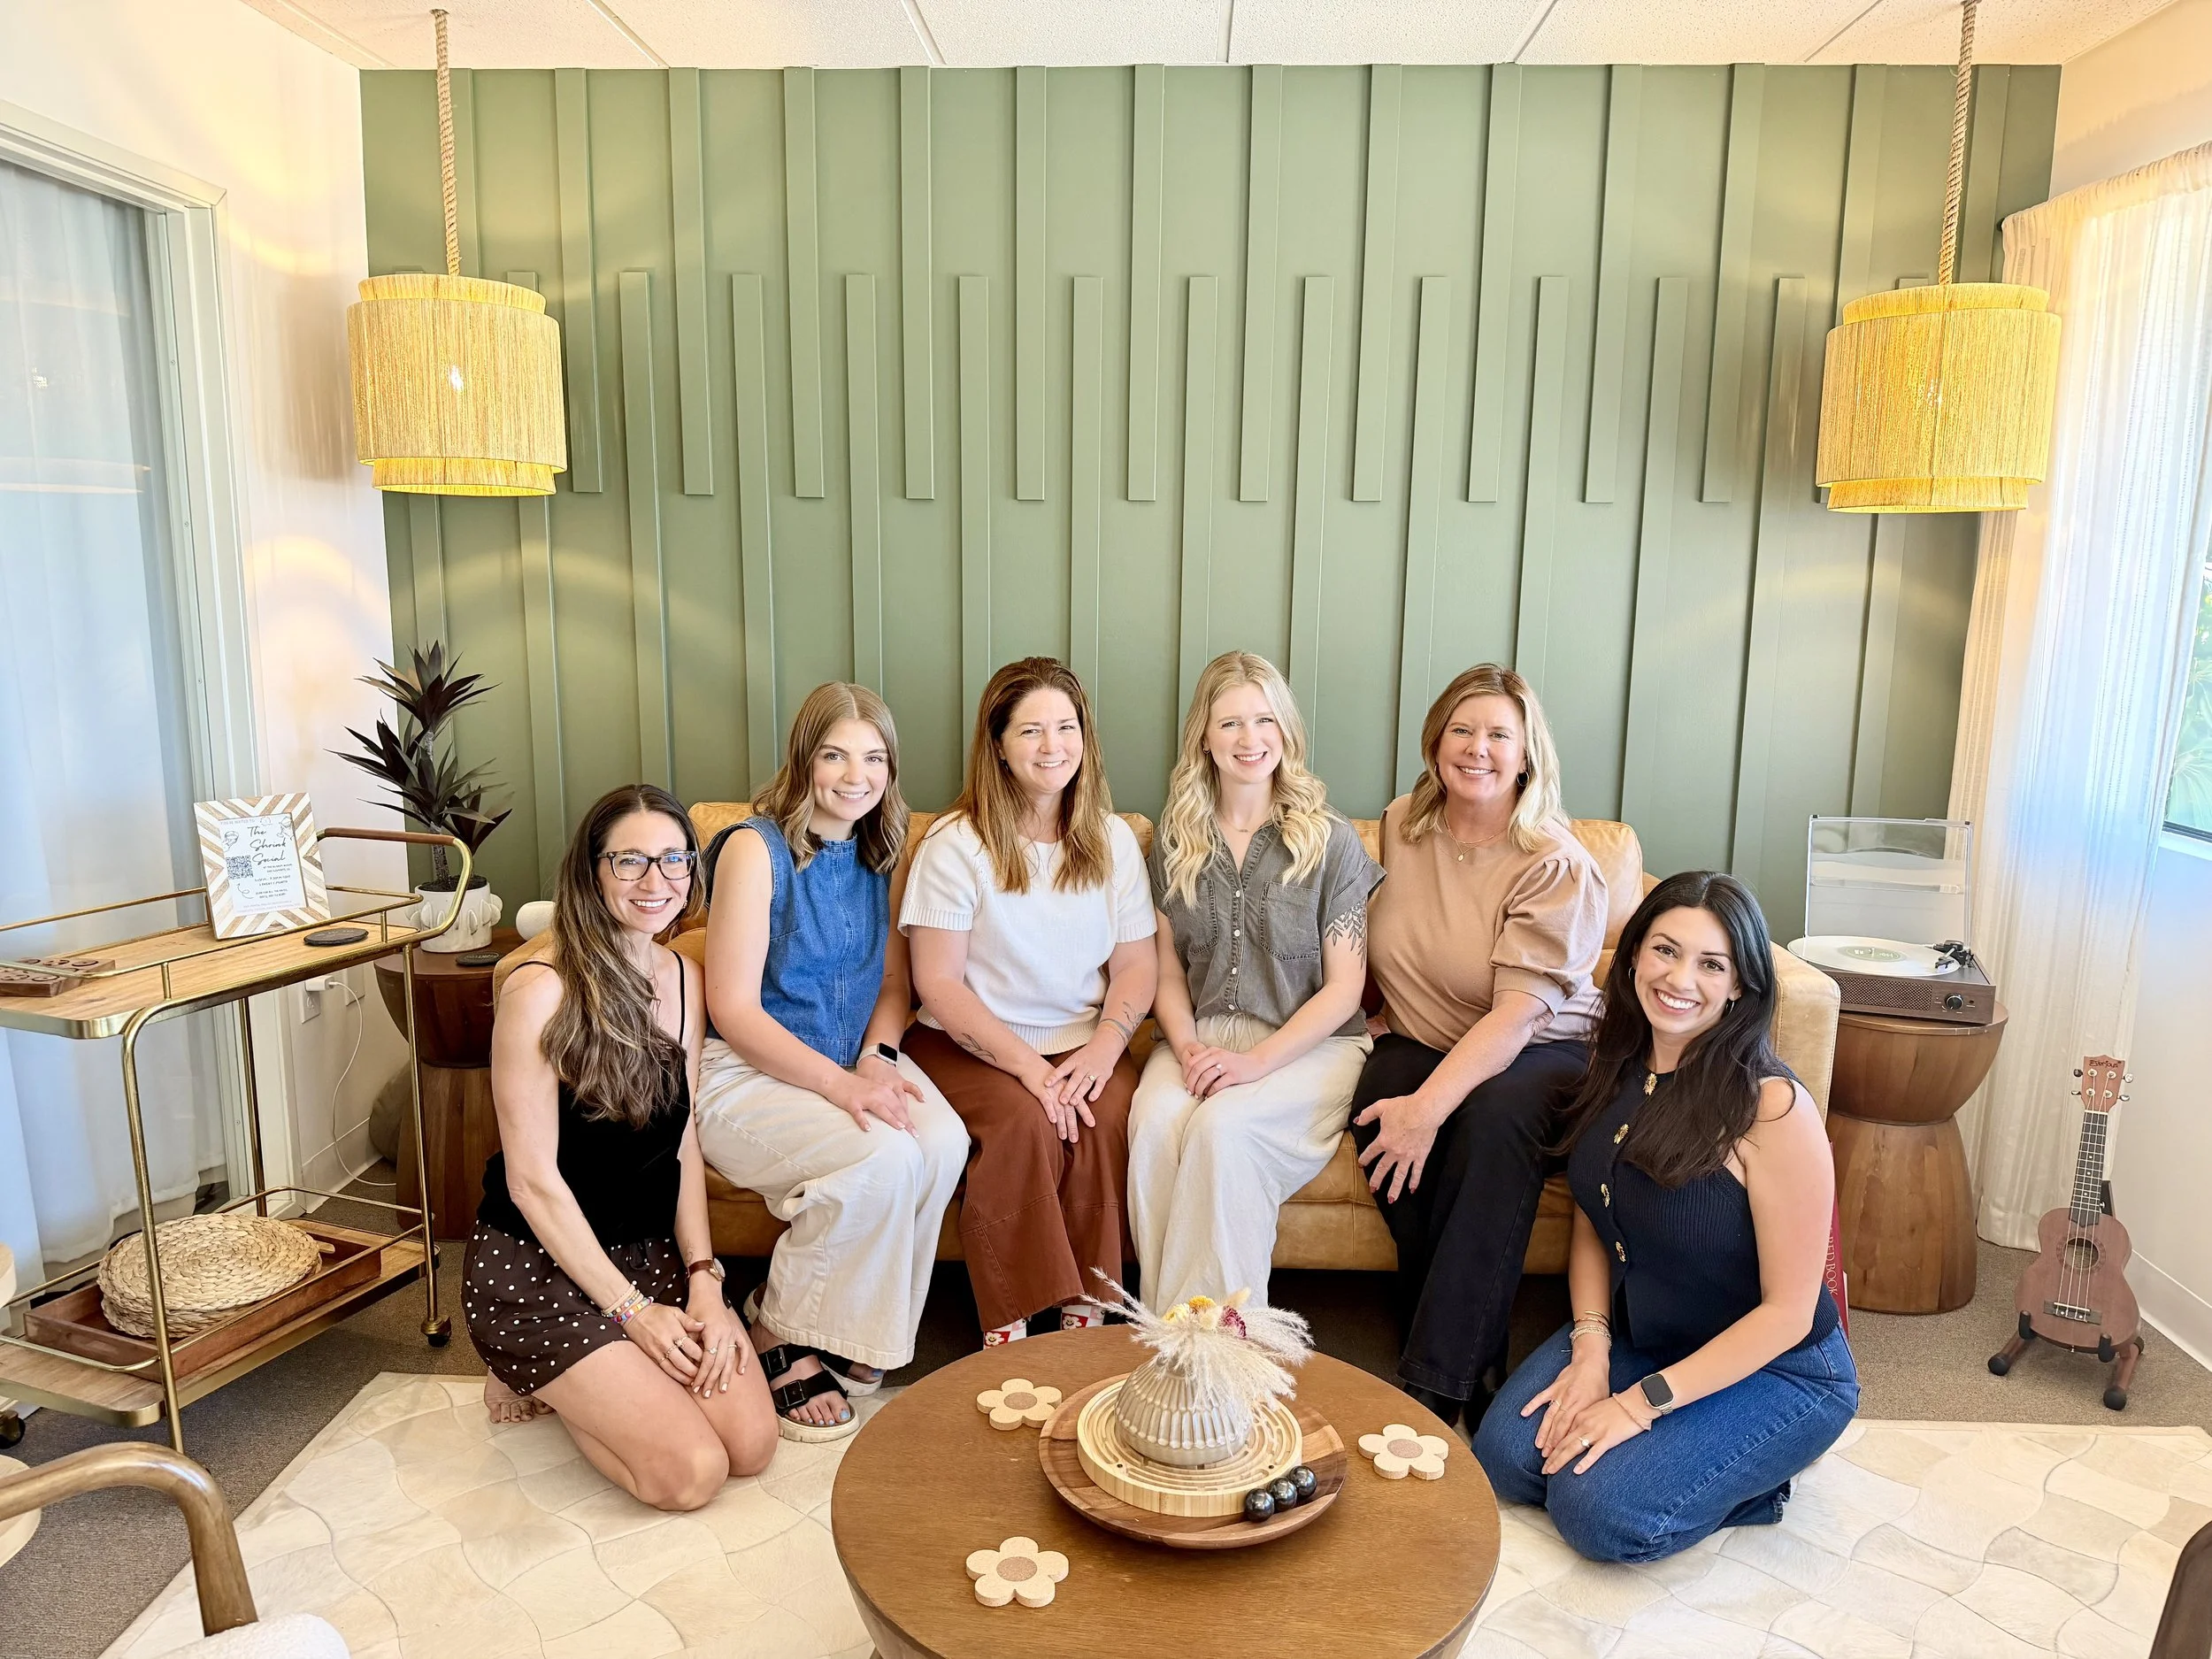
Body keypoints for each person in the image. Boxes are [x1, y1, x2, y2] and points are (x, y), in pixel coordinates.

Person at [1473, 872, 1857, 1562]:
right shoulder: (1618, 1061)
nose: (1681, 978)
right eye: (1665, 950)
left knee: (1599, 1513)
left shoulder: (1771, 1109)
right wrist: (1591, 1351)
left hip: (1779, 1367)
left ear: (1740, 983)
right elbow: (1596, 1216)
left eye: (1712, 963)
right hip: (1645, 1334)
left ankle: (1760, 1478)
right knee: (1506, 1458)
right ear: (1632, 958)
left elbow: (1789, 1313)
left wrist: (1636, 1403)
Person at [465, 784, 775, 1509]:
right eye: (629, 860)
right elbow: (532, 1180)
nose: (655, 880)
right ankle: (535, 1369)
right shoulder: (539, 989)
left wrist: (704, 1277)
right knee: (690, 1474)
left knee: (752, 1445)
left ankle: (598, 1377)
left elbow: (683, 1141)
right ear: (590, 870)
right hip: (538, 1266)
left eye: (673, 860)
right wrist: (633, 1316)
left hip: (643, 1253)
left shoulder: (686, 980)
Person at [694, 683, 968, 1441]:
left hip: (852, 1057)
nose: (857, 775)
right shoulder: (756, 848)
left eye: (875, 757)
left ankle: (855, 1331)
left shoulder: (884, 846)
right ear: (803, 758)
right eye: (836, 755)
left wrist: (879, 1058)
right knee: (881, 1158)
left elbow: (891, 983)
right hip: (748, 1073)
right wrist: (845, 1086)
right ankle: (777, 1325)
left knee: (941, 1141)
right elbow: (735, 1010)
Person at [1349, 664, 1608, 1428]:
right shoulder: (1405, 822)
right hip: (1425, 1033)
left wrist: (1430, 1108)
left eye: (1500, 734)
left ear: (1527, 755)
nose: (1478, 748)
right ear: (1435, 743)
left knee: (1489, 1122)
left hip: (1539, 1046)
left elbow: (1513, 1017)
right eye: (1462, 729)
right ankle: (1476, 1346)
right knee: (1373, 1107)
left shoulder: (1555, 862)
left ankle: (1439, 1384)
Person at [902, 657, 1157, 1347]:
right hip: (966, 1039)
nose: (1053, 746)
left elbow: (1137, 963)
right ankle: (1010, 1318)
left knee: (1102, 1117)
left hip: (1083, 1036)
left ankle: (1086, 1301)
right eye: (1032, 730)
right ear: (998, 745)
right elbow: (939, 983)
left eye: (1067, 727)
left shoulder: (1111, 840)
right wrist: (1028, 1068)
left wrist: (1106, 1045)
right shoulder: (955, 844)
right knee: (1024, 1121)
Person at [1130, 650, 1381, 1309]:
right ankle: (1168, 1332)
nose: (1250, 739)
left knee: (1222, 1130)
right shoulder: (1175, 842)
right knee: (1155, 1123)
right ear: (1204, 738)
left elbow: (1344, 989)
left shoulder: (1330, 841)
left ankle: (1219, 1346)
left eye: (1265, 720)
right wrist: (1186, 1049)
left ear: (1287, 731)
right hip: (1200, 1034)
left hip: (1313, 1045)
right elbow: (1166, 973)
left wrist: (1254, 1064)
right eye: (1231, 723)